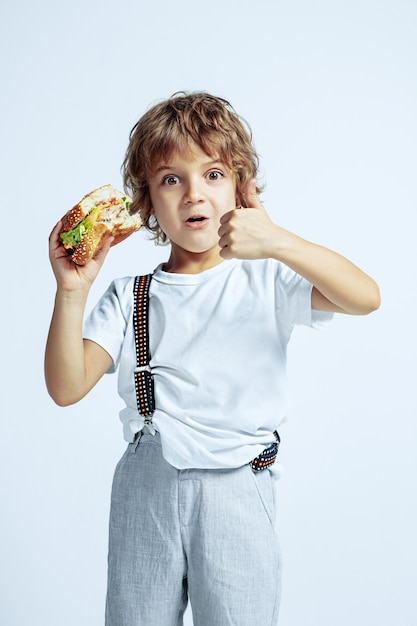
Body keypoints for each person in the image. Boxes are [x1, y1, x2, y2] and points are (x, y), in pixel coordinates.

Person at [45, 91, 380, 626]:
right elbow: (65, 387)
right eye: (171, 179)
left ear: (241, 187)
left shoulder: (267, 278)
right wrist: (71, 290)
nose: (193, 194)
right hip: (147, 484)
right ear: (147, 201)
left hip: (239, 487)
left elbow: (365, 296)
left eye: (214, 174)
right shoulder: (128, 294)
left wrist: (276, 240)